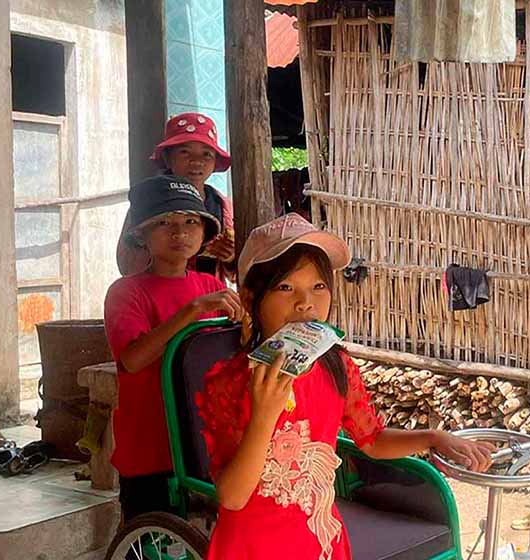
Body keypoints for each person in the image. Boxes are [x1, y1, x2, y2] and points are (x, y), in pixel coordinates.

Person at [195, 213, 495, 560]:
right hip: (254, 548)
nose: (305, 302)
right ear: (249, 299)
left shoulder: (335, 365)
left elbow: (373, 440)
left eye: (318, 286)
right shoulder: (229, 382)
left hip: (320, 541)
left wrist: (433, 438)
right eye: (285, 287)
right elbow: (232, 497)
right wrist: (264, 416)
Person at [103, 175, 245, 522]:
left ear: (204, 233)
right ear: (141, 236)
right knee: (149, 535)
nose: (179, 232)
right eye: (164, 223)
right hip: (150, 445)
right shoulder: (127, 292)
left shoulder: (212, 286)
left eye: (190, 222)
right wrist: (192, 311)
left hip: (203, 442)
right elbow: (133, 360)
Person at [117, 112, 237, 283]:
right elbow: (127, 265)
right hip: (159, 299)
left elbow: (240, 274)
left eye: (206, 154)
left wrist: (230, 258)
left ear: (215, 161)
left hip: (210, 302)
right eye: (184, 152)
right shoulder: (150, 203)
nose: (196, 161)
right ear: (167, 157)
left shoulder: (223, 206)